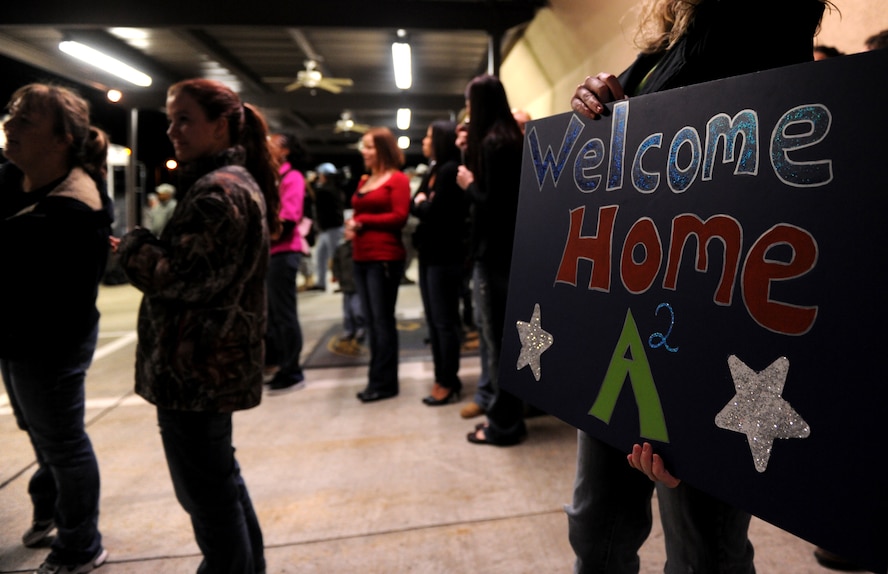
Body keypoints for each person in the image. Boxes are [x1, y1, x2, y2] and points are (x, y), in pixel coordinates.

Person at [565, 1, 830, 572]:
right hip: (626, 327)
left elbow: (770, 202)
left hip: (707, 339)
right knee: (595, 525)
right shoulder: (663, 45)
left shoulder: (766, 23)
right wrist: (592, 101)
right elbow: (611, 124)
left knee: (702, 550)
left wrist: (695, 419)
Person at [116, 78, 278, 574]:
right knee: (219, 481)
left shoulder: (217, 191)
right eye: (170, 119)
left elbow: (182, 278)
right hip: (209, 365)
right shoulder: (229, 182)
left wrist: (134, 248)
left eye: (184, 118)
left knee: (207, 498)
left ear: (220, 125)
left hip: (196, 371)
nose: (172, 130)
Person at [0, 83, 112, 573]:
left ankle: (81, 544)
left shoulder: (73, 209)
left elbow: (51, 299)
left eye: (26, 120)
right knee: (39, 431)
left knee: (63, 442)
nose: (9, 124)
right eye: (11, 114)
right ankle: (50, 507)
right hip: (17, 335)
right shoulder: (12, 179)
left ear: (62, 139)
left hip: (50, 342)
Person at [457, 74, 526, 445]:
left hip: (493, 255)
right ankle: (508, 417)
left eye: (469, 102)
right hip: (512, 253)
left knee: (496, 342)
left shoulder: (493, 144)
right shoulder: (511, 139)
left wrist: (468, 184)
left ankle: (504, 426)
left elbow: (493, 207)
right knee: (506, 342)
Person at [346, 127, 411, 403]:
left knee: (382, 322)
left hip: (384, 258)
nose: (364, 151)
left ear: (383, 149)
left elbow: (400, 217)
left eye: (369, 146)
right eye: (363, 146)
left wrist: (362, 223)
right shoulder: (365, 180)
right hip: (361, 257)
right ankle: (377, 378)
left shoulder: (397, 180)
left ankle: (384, 383)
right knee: (372, 323)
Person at [412, 120, 468, 406]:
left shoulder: (449, 171)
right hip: (429, 253)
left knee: (444, 322)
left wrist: (424, 204)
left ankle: (448, 380)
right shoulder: (434, 169)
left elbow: (437, 213)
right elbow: (416, 202)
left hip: (445, 256)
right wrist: (423, 203)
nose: (423, 140)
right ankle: (441, 376)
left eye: (428, 136)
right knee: (433, 322)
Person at [264, 132, 308, 393]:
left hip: (283, 253)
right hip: (273, 253)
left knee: (284, 315)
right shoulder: (274, 177)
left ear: (286, 151)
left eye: (275, 142)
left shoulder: (292, 178)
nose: (268, 144)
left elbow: (288, 220)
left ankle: (292, 370)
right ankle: (281, 364)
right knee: (274, 315)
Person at [311, 162, 346, 291]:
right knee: (320, 256)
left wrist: (311, 182)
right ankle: (321, 282)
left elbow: (317, 193)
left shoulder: (329, 188)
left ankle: (343, 282)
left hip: (333, 228)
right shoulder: (329, 187)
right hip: (325, 228)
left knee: (336, 257)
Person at [330, 235, 366, 350]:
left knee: (357, 310)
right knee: (347, 311)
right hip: (345, 285)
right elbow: (336, 263)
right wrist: (336, 276)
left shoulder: (358, 246)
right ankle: (349, 330)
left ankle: (361, 328)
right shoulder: (340, 248)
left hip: (356, 285)